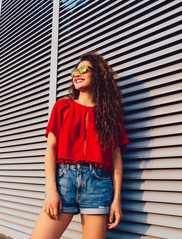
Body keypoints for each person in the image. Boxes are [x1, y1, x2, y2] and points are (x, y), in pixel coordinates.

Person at [31, 51, 129, 239]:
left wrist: (117, 200)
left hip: (98, 184)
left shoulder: (111, 113)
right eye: (75, 70)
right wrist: (51, 191)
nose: (77, 73)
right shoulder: (62, 106)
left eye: (84, 69)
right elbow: (50, 149)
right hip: (63, 182)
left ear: (98, 75)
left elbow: (116, 158)